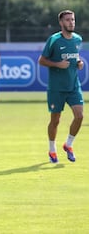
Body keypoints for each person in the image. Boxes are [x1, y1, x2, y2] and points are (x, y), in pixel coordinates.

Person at [38, 9, 84, 163]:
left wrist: (78, 63)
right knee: (55, 120)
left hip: (73, 86)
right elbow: (42, 60)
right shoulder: (54, 40)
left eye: (73, 19)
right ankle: (52, 149)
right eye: (68, 20)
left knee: (80, 116)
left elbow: (75, 57)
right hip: (56, 88)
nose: (71, 22)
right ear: (61, 23)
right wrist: (57, 64)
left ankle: (68, 145)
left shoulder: (78, 39)